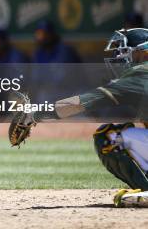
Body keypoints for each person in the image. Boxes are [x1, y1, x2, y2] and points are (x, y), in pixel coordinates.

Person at [9, 28, 148, 207]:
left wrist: (33, 114)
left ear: (143, 53)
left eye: (125, 52)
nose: (119, 58)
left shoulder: (139, 74)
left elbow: (80, 103)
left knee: (108, 136)